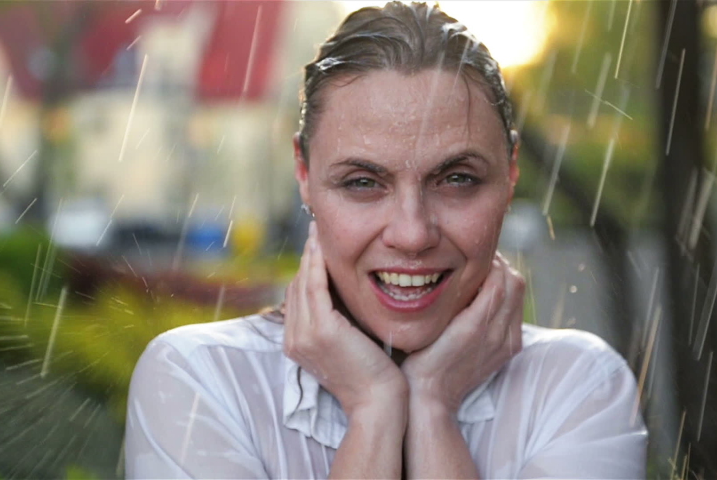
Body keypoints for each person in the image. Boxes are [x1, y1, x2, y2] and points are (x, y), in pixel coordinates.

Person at [125, 2, 648, 478]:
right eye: (363, 183)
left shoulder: (578, 386)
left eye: (457, 178)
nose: (413, 233)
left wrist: (433, 404)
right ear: (304, 173)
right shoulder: (199, 381)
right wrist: (376, 408)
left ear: (510, 172)